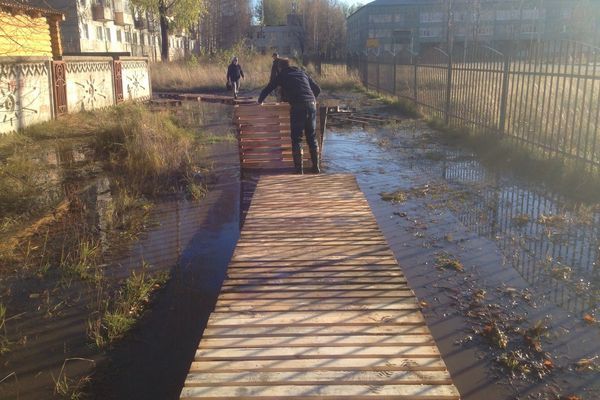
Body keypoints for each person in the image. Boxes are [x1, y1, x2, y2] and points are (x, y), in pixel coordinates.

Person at [257, 58, 321, 174]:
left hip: (298, 106)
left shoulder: (282, 75)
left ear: (281, 67)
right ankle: (316, 168)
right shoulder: (302, 72)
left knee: (297, 139)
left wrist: (260, 101)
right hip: (312, 105)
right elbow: (317, 89)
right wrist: (310, 100)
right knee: (311, 137)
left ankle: (298, 171)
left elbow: (269, 87)